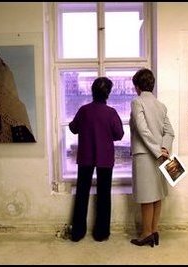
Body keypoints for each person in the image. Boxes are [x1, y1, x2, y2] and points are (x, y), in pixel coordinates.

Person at [69, 77, 124, 242]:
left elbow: (73, 128)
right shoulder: (112, 113)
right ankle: (101, 233)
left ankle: (78, 233)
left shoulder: (84, 110)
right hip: (105, 157)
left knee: (82, 193)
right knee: (104, 194)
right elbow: (119, 135)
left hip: (85, 156)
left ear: (92, 92)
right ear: (108, 94)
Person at [129, 68, 175, 247]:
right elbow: (169, 131)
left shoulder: (137, 102)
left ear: (138, 86)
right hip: (160, 156)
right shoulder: (160, 105)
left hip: (145, 156)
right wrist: (163, 149)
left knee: (147, 196)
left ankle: (146, 233)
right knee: (157, 195)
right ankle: (154, 230)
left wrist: (156, 150)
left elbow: (142, 129)